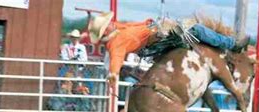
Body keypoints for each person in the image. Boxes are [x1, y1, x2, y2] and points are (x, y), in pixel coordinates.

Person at [88, 12, 250, 88]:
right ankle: (231, 44)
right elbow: (116, 57)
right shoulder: (115, 42)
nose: (110, 23)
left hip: (155, 35)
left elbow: (128, 27)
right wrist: (114, 73)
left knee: (188, 31)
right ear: (105, 31)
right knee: (197, 30)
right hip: (156, 39)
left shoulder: (118, 30)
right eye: (106, 24)